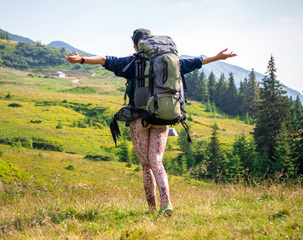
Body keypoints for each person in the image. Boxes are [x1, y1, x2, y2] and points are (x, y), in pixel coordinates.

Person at [64, 29, 237, 217]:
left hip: (139, 120)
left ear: (135, 45)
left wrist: (81, 60)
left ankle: (152, 209)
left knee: (146, 165)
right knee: (157, 161)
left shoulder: (131, 62)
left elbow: (105, 59)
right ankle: (166, 203)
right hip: (163, 118)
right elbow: (196, 62)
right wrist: (218, 57)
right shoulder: (169, 62)